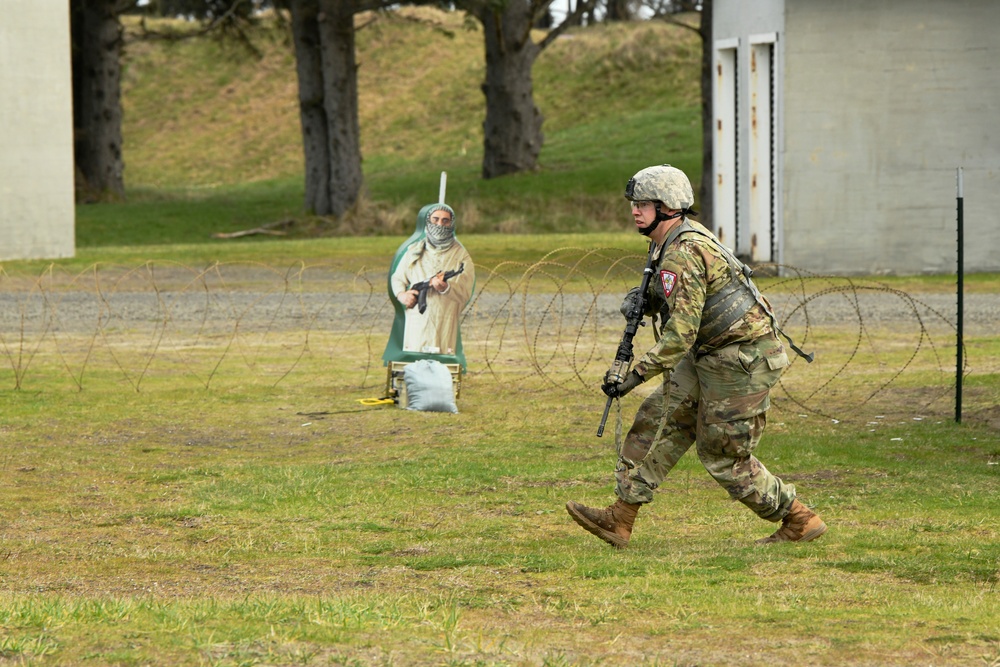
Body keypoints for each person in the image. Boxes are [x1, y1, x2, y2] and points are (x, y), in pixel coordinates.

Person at [566, 164, 827, 548]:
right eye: (634, 204)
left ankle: (799, 519)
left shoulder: (683, 251)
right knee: (658, 418)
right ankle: (620, 518)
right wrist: (646, 299)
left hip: (742, 359)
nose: (635, 211)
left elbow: (679, 334)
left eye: (644, 204)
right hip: (712, 352)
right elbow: (681, 298)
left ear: (668, 207)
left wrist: (634, 375)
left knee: (724, 456)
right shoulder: (668, 242)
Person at [389, 203, 475, 356]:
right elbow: (397, 278)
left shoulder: (461, 256)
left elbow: (465, 293)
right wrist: (402, 295)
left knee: (441, 362)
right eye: (435, 220)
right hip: (417, 319)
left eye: (445, 221)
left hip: (445, 317)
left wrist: (445, 288)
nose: (440, 224)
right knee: (415, 362)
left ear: (451, 223)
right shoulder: (414, 251)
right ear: (428, 222)